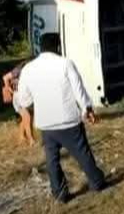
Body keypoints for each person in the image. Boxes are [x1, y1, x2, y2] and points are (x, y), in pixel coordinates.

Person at [17, 34, 106, 202]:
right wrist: (87, 109)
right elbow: (79, 90)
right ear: (58, 46)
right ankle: (97, 182)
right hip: (68, 121)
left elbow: (24, 100)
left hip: (46, 124)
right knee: (83, 154)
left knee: (52, 160)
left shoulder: (28, 69)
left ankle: (60, 193)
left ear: (40, 48)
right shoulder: (65, 64)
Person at [2, 62, 35, 146]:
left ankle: (22, 137)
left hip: (24, 96)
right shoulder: (19, 70)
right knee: (27, 117)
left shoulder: (29, 70)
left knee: (26, 117)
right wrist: (8, 88)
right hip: (19, 96)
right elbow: (5, 77)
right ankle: (31, 140)